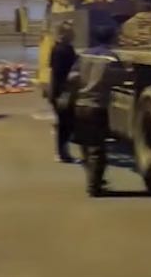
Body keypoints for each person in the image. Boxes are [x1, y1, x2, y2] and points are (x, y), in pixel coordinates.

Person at [71, 24, 120, 196]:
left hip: (80, 105)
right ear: (112, 37)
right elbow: (121, 79)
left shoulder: (84, 55)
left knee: (85, 146)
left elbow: (72, 77)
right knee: (98, 148)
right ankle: (94, 186)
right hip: (97, 107)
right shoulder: (111, 57)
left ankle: (90, 181)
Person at [48, 21, 77, 162]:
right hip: (63, 92)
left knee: (64, 123)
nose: (74, 35)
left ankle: (62, 152)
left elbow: (53, 71)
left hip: (57, 91)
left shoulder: (56, 48)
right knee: (66, 124)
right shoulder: (64, 50)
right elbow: (62, 73)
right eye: (71, 32)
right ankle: (62, 154)